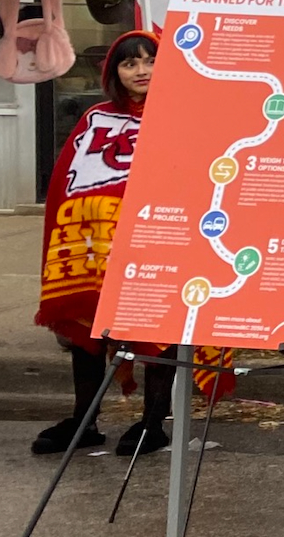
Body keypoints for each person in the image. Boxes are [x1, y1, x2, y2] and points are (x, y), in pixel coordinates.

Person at [33, 28, 177, 457]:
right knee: (87, 328)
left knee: (156, 329)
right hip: (92, 244)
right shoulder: (95, 117)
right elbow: (66, 182)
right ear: (115, 72)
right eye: (130, 62)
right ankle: (84, 420)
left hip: (156, 242)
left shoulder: (181, 115)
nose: (142, 70)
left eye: (150, 60)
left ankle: (153, 423)